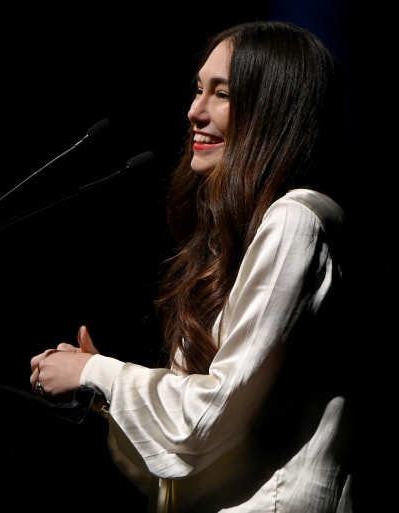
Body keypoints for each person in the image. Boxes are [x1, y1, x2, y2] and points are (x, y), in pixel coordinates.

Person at [29, 20, 353, 512]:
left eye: (220, 94)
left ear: (272, 110)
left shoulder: (294, 223)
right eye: (198, 90)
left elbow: (206, 421)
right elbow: (181, 466)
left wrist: (98, 371)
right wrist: (102, 393)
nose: (194, 112)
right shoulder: (238, 237)